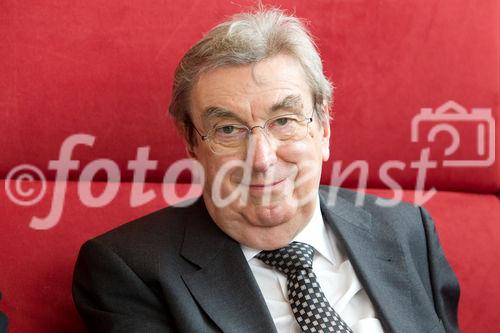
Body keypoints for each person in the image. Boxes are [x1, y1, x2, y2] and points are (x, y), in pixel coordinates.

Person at [72, 9, 460, 333]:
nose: (262, 158)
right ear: (192, 142)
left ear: (323, 128)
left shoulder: (408, 230)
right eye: (228, 129)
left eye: (284, 121)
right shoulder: (129, 268)